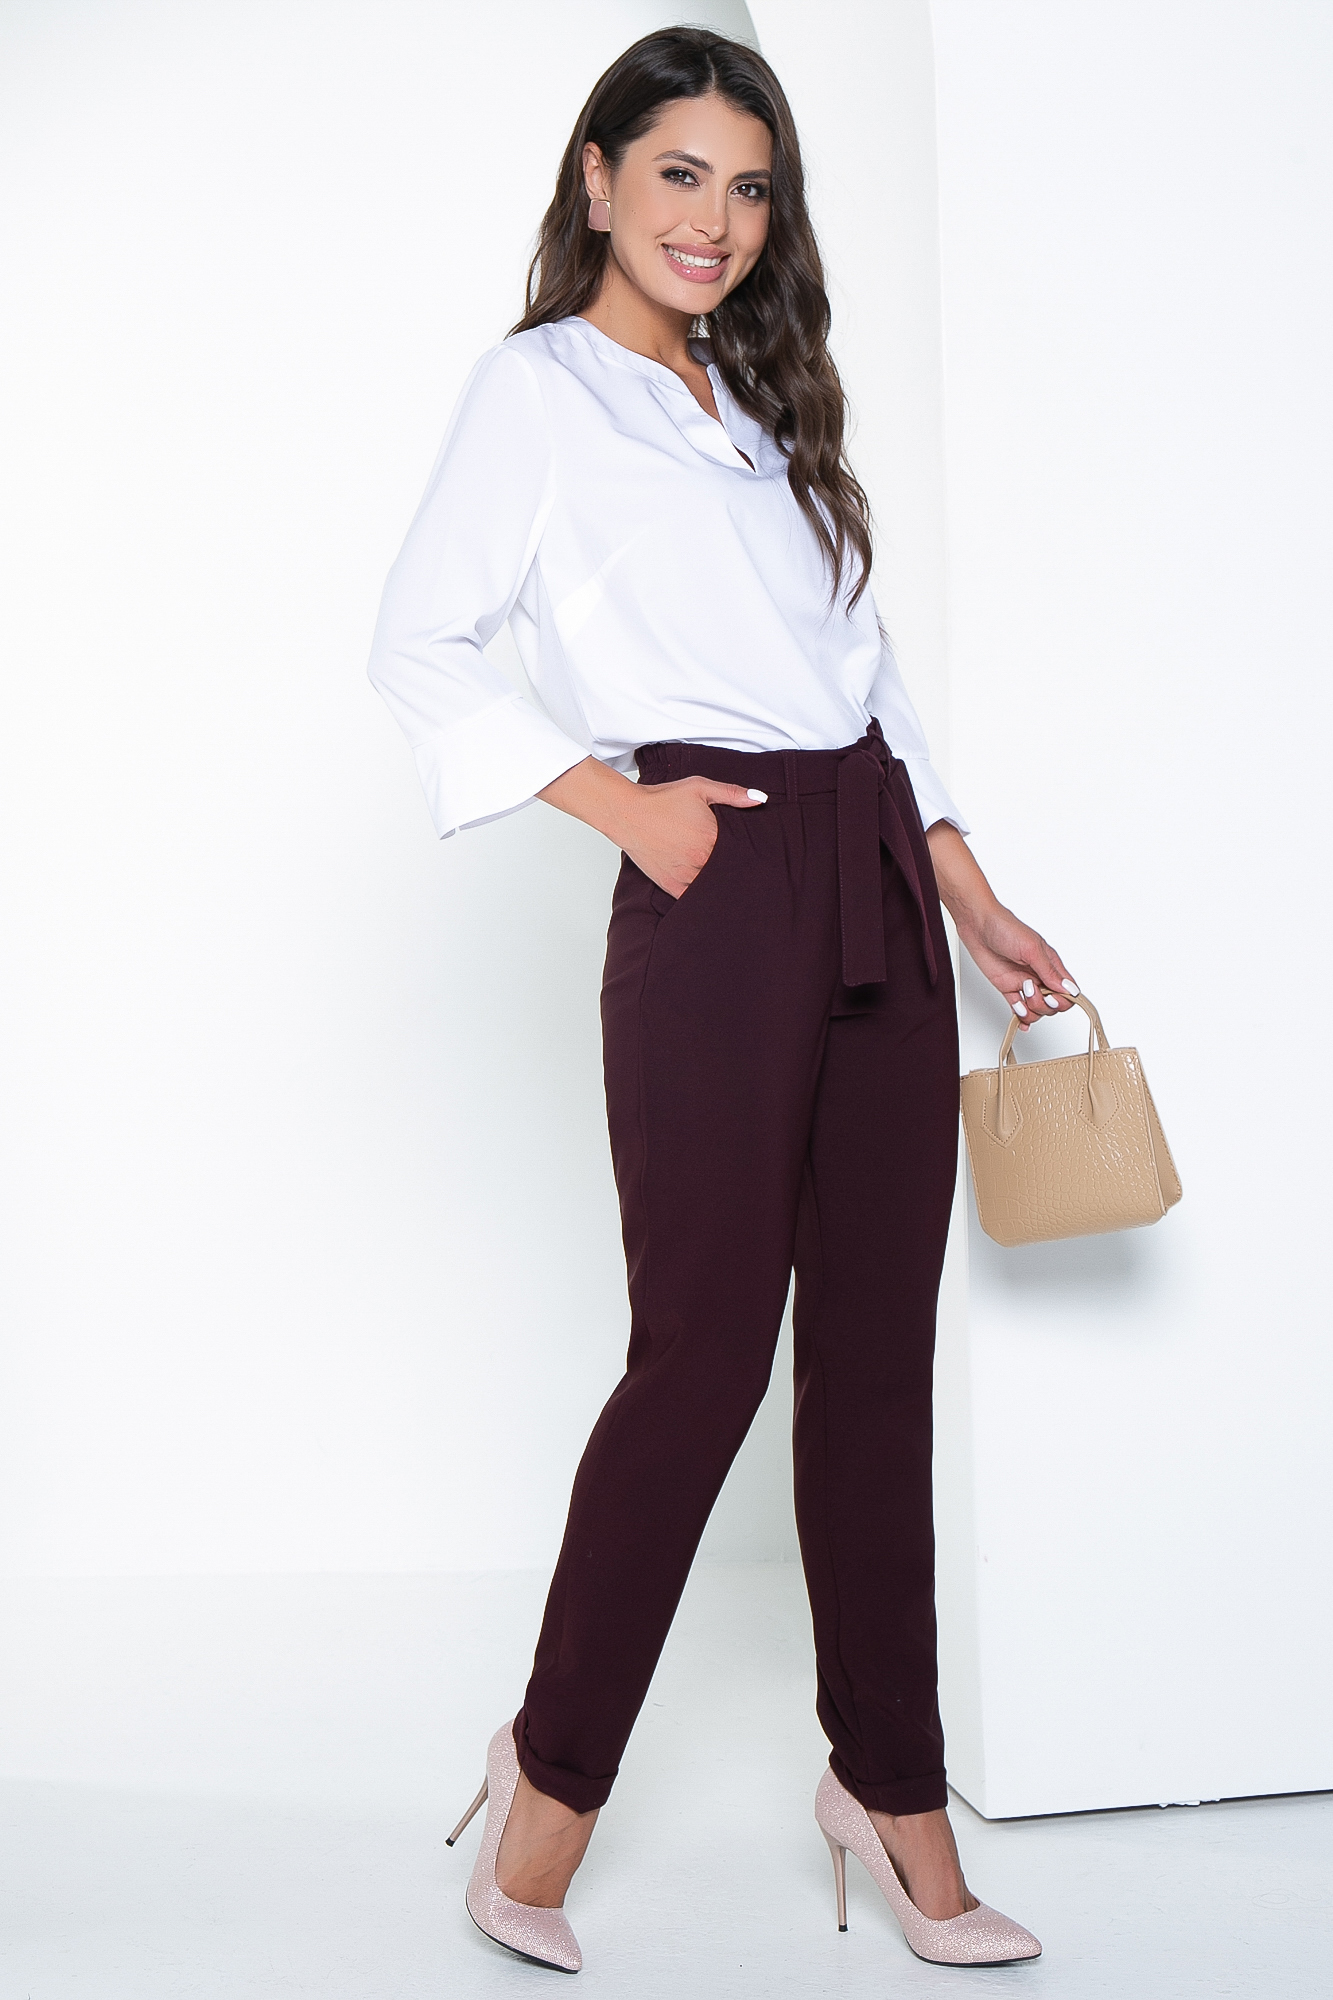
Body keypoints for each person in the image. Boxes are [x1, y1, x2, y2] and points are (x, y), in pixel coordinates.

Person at [369, 26, 1073, 1975]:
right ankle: (547, 1786)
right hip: (718, 875)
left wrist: (964, 886)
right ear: (595, 178)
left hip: (874, 869)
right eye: (677, 172)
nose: (714, 218)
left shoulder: (762, 404)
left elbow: (866, 674)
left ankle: (890, 1785)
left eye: (748, 186)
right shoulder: (538, 392)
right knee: (700, 1360)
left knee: (874, 1359)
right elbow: (416, 641)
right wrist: (630, 812)